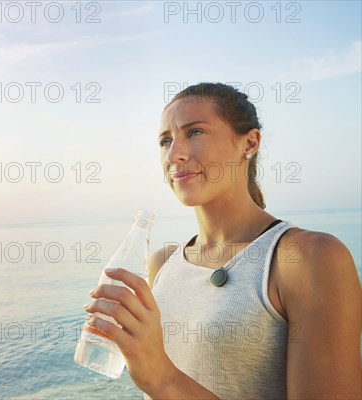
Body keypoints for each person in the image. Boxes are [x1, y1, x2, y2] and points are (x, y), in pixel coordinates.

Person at [83, 82, 361, 399]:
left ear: (250, 142)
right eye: (165, 141)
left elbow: (162, 380)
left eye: (195, 132)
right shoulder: (162, 263)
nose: (175, 154)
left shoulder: (308, 258)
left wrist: (161, 378)